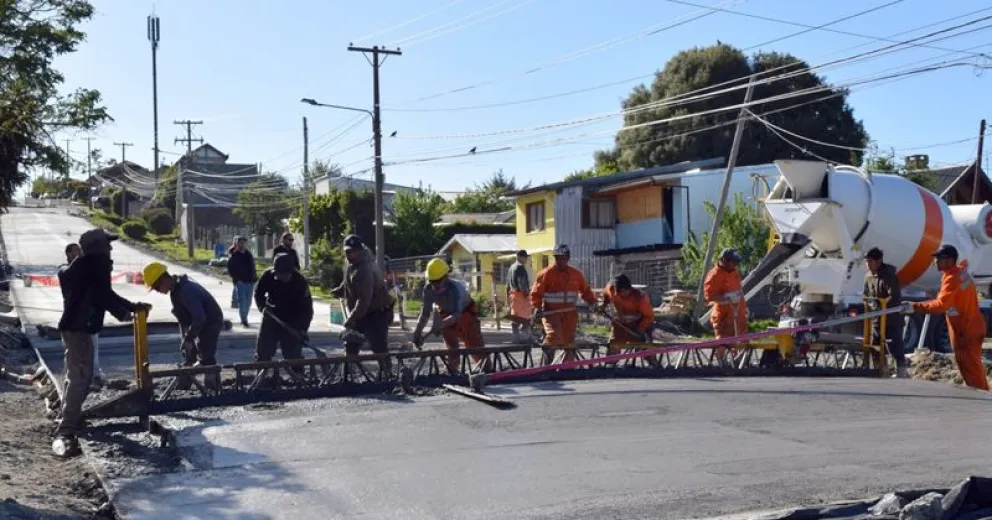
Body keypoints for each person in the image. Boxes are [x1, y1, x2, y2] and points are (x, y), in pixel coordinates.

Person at [54, 229, 150, 457]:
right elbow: (103, 295)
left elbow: (98, 291)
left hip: (71, 327)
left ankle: (69, 417)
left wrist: (130, 306)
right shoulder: (96, 265)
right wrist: (127, 310)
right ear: (98, 247)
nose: (111, 248)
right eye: (108, 244)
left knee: (74, 375)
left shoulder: (79, 266)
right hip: (80, 329)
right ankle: (67, 427)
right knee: (81, 377)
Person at [908, 244, 989, 391]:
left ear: (950, 260)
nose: (935, 262)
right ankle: (980, 396)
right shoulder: (959, 272)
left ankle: (981, 400)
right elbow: (953, 297)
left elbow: (940, 306)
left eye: (939, 259)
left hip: (965, 330)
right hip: (970, 326)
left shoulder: (952, 278)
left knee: (971, 368)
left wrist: (915, 306)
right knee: (972, 367)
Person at [143, 262, 225, 390]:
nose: (157, 291)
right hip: (199, 321)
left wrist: (189, 337)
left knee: (206, 353)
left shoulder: (186, 291)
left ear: (164, 279)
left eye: (156, 287)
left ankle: (212, 385)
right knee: (191, 352)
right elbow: (183, 319)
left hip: (211, 321)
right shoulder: (175, 291)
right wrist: (186, 341)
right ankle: (186, 379)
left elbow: (200, 318)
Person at [331, 235, 395, 374]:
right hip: (361, 311)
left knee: (378, 347)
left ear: (360, 251)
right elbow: (348, 281)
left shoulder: (365, 270)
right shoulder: (349, 264)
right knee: (351, 343)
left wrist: (350, 320)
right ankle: (348, 376)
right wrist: (340, 290)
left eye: (354, 251)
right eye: (348, 252)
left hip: (377, 312)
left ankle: (387, 375)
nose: (351, 255)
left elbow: (364, 300)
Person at [412, 258, 486, 374]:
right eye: (432, 281)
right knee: (452, 348)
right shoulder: (428, 290)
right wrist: (417, 332)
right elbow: (425, 313)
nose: (435, 285)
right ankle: (452, 371)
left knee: (475, 347)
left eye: (438, 281)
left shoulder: (456, 289)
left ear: (446, 277)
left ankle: (486, 369)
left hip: (466, 314)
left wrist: (440, 325)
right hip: (446, 314)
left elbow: (456, 315)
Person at [530, 244, 598, 363]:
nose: (560, 261)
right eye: (558, 258)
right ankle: (546, 368)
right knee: (553, 337)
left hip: (569, 315)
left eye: (563, 258)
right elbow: (536, 293)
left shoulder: (576, 274)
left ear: (568, 258)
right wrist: (536, 307)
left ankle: (567, 368)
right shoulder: (545, 274)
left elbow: (585, 290)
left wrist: (593, 302)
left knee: (569, 341)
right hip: (551, 314)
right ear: (554, 258)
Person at [254, 253, 313, 369]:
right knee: (264, 351)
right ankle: (261, 378)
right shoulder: (268, 276)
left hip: (293, 320)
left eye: (285, 275)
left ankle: (298, 379)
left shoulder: (300, 282)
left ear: (291, 272)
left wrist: (302, 329)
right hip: (272, 317)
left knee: (293, 355)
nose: (282, 278)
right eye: (279, 275)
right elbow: (258, 293)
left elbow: (307, 309)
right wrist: (262, 307)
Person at [58, 243, 104, 388]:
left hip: (89, 318)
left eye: (80, 250)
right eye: (76, 251)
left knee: (93, 349)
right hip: (72, 322)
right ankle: (71, 379)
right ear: (68, 255)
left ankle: (94, 376)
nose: (79, 253)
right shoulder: (64, 270)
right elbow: (71, 272)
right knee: (73, 353)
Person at [863, 247, 908, 378]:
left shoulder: (889, 276)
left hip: (891, 318)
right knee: (874, 344)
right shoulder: (868, 277)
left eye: (871, 261)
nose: (868, 264)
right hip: (876, 318)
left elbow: (894, 295)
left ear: (879, 261)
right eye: (867, 262)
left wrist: (883, 305)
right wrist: (873, 305)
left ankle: (901, 370)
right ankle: (881, 370)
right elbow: (866, 295)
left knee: (894, 344)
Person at [703, 248, 748, 361]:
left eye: (736, 262)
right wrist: (725, 298)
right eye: (734, 262)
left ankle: (739, 362)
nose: (735, 265)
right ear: (725, 260)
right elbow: (709, 296)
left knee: (743, 340)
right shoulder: (714, 275)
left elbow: (739, 291)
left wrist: (744, 307)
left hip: (738, 314)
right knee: (723, 340)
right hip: (723, 315)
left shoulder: (734, 272)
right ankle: (721, 362)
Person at [601, 274, 654, 355]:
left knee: (646, 348)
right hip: (620, 323)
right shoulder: (611, 290)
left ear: (630, 288)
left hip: (638, 325)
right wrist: (603, 305)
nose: (624, 294)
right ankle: (609, 363)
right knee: (614, 345)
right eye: (621, 293)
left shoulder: (640, 297)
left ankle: (652, 361)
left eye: (626, 291)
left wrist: (641, 329)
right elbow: (606, 294)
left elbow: (649, 316)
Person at [227, 236, 257, 327]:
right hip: (240, 282)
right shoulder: (234, 256)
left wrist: (254, 277)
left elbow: (253, 267)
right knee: (242, 301)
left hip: (250, 281)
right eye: (240, 242)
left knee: (248, 302)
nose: (242, 244)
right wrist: (236, 280)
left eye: (243, 242)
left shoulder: (249, 255)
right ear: (236, 244)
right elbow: (230, 269)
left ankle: (245, 317)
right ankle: (244, 319)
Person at [505, 249, 533, 343]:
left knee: (515, 319)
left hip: (513, 295)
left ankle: (515, 338)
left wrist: (507, 300)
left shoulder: (511, 267)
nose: (526, 260)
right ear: (520, 257)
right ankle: (526, 337)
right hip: (521, 296)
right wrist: (527, 294)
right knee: (526, 318)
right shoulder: (520, 268)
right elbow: (523, 284)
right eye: (525, 258)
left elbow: (507, 285)